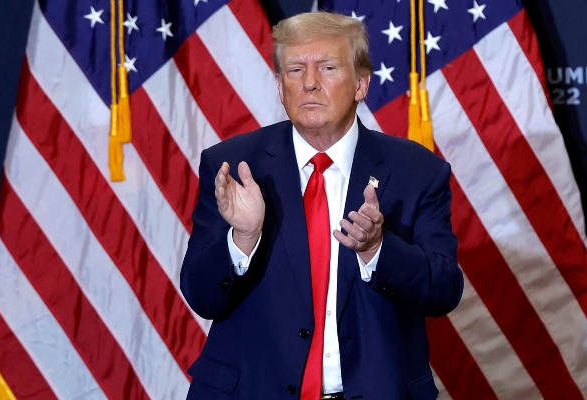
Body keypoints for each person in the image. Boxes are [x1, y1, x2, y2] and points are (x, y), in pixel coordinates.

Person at [181, 11, 463, 400]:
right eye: (295, 70)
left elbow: (444, 290)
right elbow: (202, 295)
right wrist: (242, 238)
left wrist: (378, 249)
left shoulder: (417, 172)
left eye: (327, 67)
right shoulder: (235, 166)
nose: (310, 83)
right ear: (280, 86)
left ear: (361, 84)